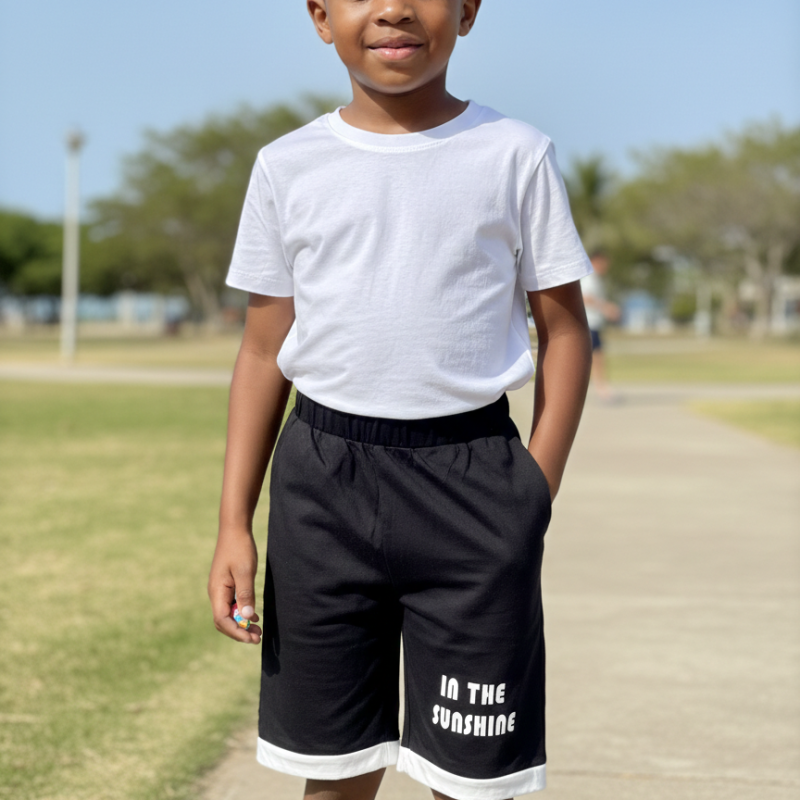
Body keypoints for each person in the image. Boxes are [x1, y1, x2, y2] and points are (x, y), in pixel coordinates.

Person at [207, 2, 593, 799]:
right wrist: (232, 524)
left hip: (474, 482)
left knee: (473, 779)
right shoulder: (287, 165)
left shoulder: (515, 154)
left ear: (467, 12)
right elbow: (259, 350)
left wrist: (533, 493)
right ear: (320, 16)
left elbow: (563, 333)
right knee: (338, 772)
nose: (393, 8)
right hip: (323, 490)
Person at [580, 250, 620, 401]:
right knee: (594, 357)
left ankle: (601, 387)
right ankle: (601, 388)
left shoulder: (596, 278)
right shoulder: (589, 277)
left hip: (594, 323)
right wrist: (605, 307)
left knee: (597, 357)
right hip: (589, 323)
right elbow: (585, 298)